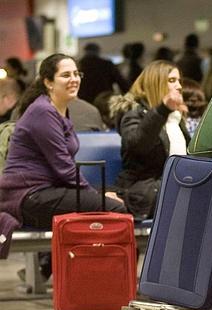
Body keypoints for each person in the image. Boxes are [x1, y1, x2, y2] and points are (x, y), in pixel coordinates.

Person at [0, 54, 126, 269]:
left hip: (44, 191)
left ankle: (65, 269)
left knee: (121, 197)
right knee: (116, 209)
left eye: (77, 74)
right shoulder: (42, 112)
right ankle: (97, 277)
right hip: (28, 195)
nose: (74, 79)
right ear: (48, 82)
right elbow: (65, 168)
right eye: (66, 75)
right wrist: (96, 195)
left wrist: (99, 193)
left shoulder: (58, 110)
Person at [109, 60, 190, 220]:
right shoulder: (133, 113)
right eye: (172, 80)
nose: (179, 86)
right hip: (145, 192)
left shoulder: (175, 118)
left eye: (179, 81)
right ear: (156, 83)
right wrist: (162, 110)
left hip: (173, 188)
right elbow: (138, 145)